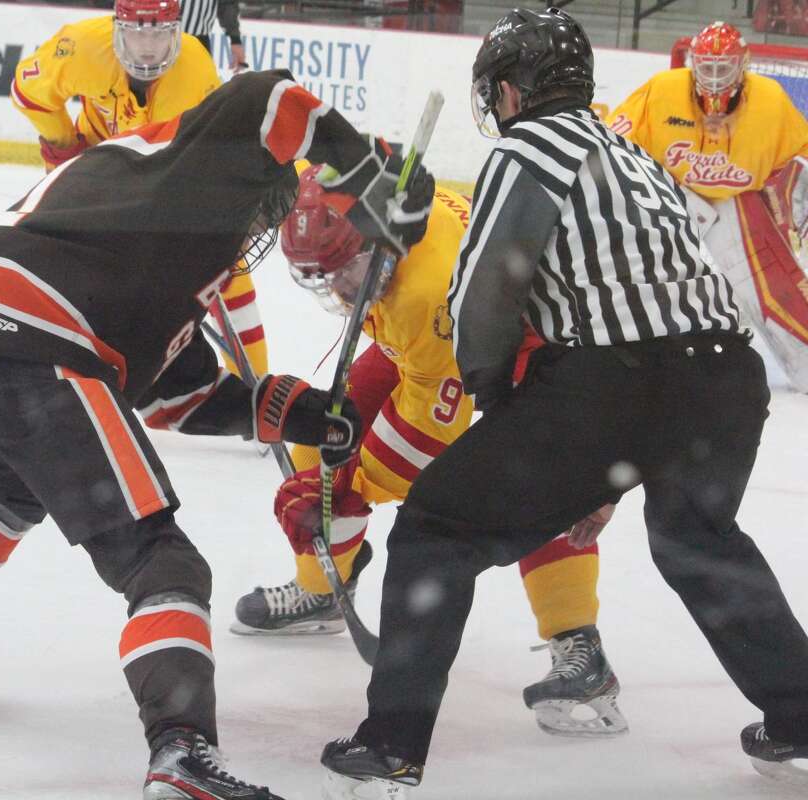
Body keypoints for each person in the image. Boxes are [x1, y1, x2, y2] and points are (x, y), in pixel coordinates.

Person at [0, 69, 434, 800]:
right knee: (161, 560)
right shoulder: (197, 165)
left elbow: (177, 395)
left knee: (7, 493)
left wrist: (289, 410)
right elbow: (268, 98)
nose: (260, 229)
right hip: (34, 337)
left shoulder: (138, 234)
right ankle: (181, 748)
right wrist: (365, 172)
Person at [318, 8, 808, 797]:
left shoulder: (526, 146)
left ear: (511, 91)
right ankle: (802, 718)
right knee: (697, 539)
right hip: (725, 380)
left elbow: (485, 289)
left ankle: (392, 745)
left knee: (439, 525)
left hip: (622, 382)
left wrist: (499, 402)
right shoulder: (630, 150)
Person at [232, 165, 628, 739]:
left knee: (539, 487)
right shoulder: (362, 194)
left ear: (380, 243)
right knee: (324, 435)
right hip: (446, 340)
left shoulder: (426, 291)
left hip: (548, 352)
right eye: (323, 278)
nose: (340, 291)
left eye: (347, 271)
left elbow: (424, 443)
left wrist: (348, 488)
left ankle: (581, 647)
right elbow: (290, 170)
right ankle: (322, 589)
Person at [10, 0, 267, 376]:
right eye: (136, 34)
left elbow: (203, 155)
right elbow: (28, 92)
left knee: (225, 263)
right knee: (51, 254)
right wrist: (63, 145)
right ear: (117, 28)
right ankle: (44, 358)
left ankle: (255, 384)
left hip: (163, 177)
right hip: (93, 166)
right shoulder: (80, 47)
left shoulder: (194, 67)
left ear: (177, 30)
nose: (147, 48)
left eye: (159, 35)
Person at [608, 21, 808, 393]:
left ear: (743, 64)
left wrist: (787, 202)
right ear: (691, 62)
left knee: (768, 284)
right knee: (638, 276)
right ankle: (626, 352)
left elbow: (801, 157)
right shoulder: (662, 91)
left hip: (736, 203)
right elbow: (613, 141)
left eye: (723, 66)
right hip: (670, 193)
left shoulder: (771, 100)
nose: (714, 77)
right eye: (706, 65)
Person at [180, 0, 246, 73]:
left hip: (198, 41)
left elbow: (227, 4)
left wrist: (235, 39)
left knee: (199, 81)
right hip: (168, 37)